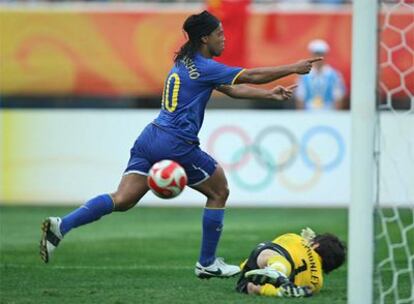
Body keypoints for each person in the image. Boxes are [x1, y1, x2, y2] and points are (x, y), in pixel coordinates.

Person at [40, 10, 322, 279]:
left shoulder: (185, 61)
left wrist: (269, 96)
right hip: (176, 143)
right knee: (219, 190)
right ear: (204, 39)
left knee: (122, 199)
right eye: (219, 34)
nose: (224, 38)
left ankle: (62, 225)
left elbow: (231, 89)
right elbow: (248, 75)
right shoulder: (204, 66)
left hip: (150, 137)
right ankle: (207, 263)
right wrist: (292, 68)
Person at [235, 228, 346, 298]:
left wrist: (244, 266)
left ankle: (277, 270)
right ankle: (275, 291)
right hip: (289, 279)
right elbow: (308, 289)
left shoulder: (297, 238)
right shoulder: (316, 283)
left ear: (316, 245)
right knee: (250, 287)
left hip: (273, 256)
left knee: (272, 255)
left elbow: (277, 243)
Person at [295, 39, 346, 110]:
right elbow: (300, 98)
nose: (318, 57)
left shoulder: (334, 75)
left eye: (321, 54)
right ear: (311, 55)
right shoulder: (303, 75)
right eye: (316, 54)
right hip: (308, 114)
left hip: (329, 113)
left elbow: (338, 98)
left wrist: (336, 117)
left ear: (326, 55)